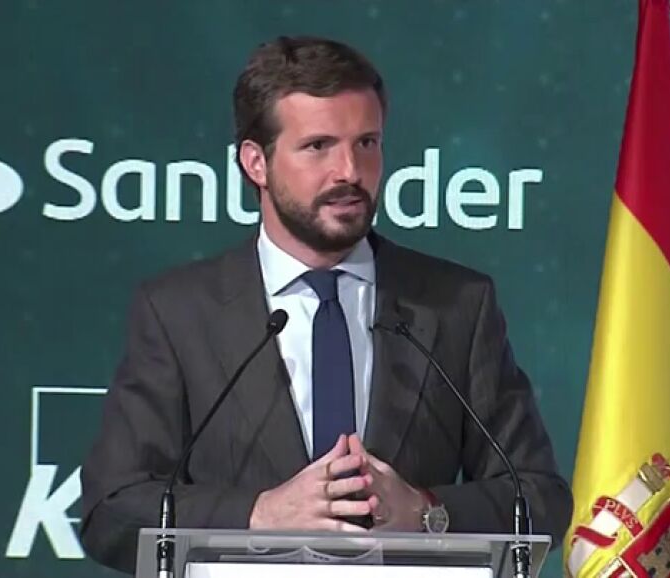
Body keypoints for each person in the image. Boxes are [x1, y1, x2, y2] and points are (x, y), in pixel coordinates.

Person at [80, 35, 572, 574]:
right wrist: (260, 514)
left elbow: (540, 500)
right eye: (318, 146)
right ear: (256, 163)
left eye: (367, 143)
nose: (349, 172)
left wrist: (426, 511)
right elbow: (113, 510)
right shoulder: (179, 312)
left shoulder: (455, 305)